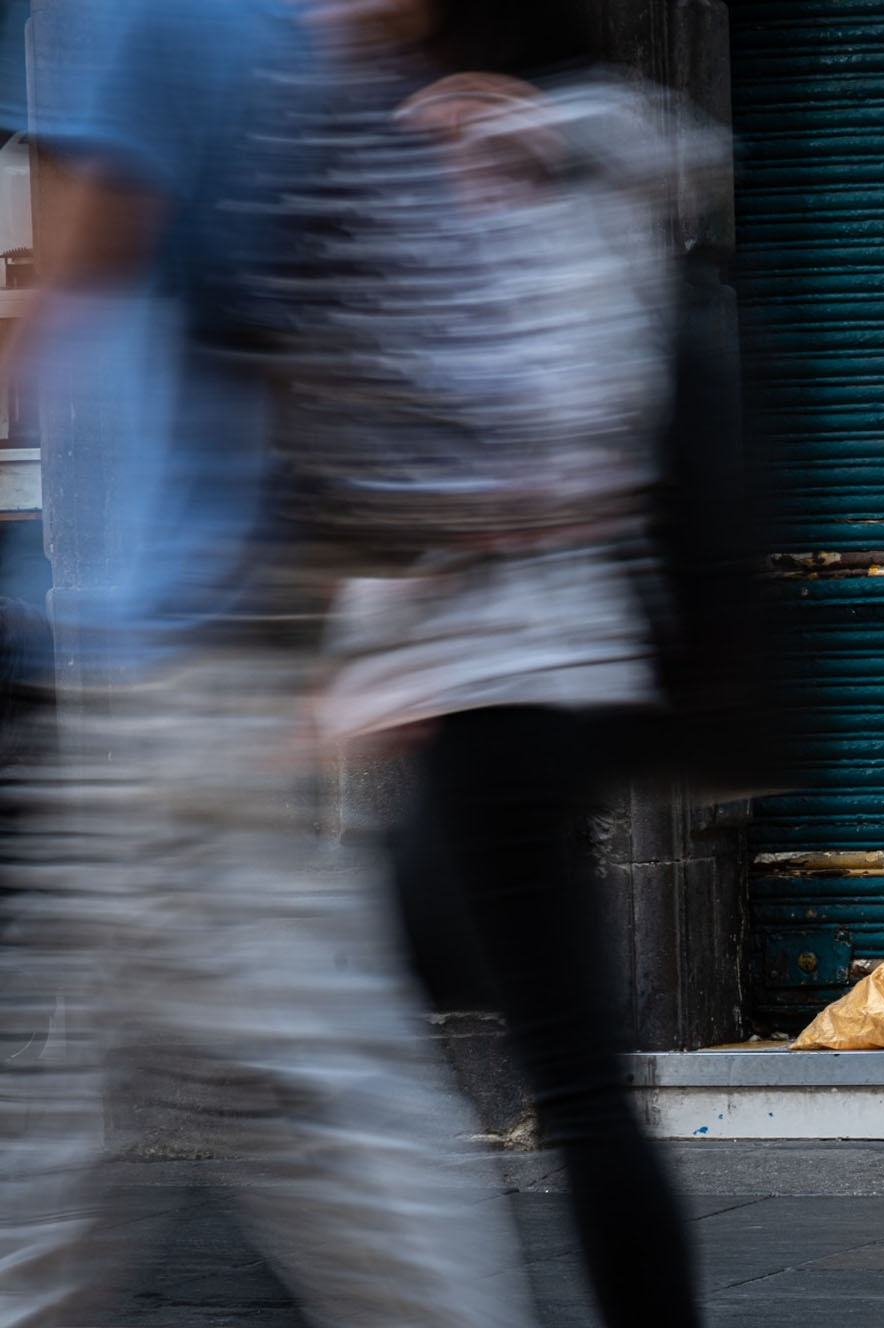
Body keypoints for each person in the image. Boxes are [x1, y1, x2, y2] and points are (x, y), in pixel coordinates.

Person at [0, 3, 538, 1325]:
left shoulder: (134, 8)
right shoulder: (278, 19)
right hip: (225, 636)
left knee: (307, 1101)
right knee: (78, 1127)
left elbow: (76, 267)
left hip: (175, 648)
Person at [298, 2, 731, 1324]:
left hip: (488, 692)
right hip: (534, 686)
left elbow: (520, 459)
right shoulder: (584, 169)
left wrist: (360, 655)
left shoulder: (488, 183)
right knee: (433, 1037)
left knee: (408, 1051)